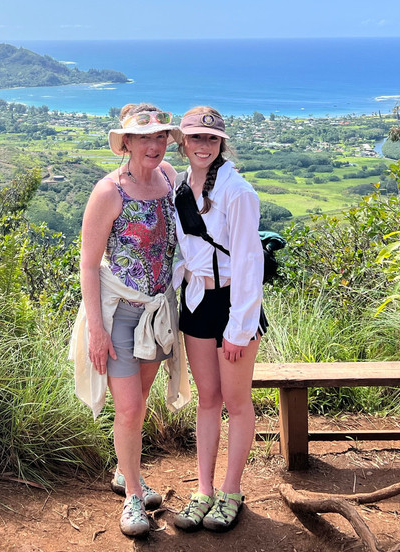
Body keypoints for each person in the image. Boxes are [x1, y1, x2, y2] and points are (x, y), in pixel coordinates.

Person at [68, 103, 191, 537]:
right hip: (120, 313)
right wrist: (96, 331)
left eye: (160, 136)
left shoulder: (169, 178)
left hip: (158, 311)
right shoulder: (108, 192)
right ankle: (134, 497)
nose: (154, 145)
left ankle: (126, 472)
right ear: (126, 143)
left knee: (137, 402)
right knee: (130, 408)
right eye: (144, 138)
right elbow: (88, 265)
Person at [171, 106, 267, 533]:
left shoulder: (237, 191)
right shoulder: (179, 187)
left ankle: (231, 491)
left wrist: (240, 328)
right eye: (196, 137)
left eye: (211, 138)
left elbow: (248, 262)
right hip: (196, 300)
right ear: (183, 142)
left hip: (233, 303)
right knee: (207, 399)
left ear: (221, 143)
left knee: (236, 400)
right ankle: (203, 490)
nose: (204, 145)